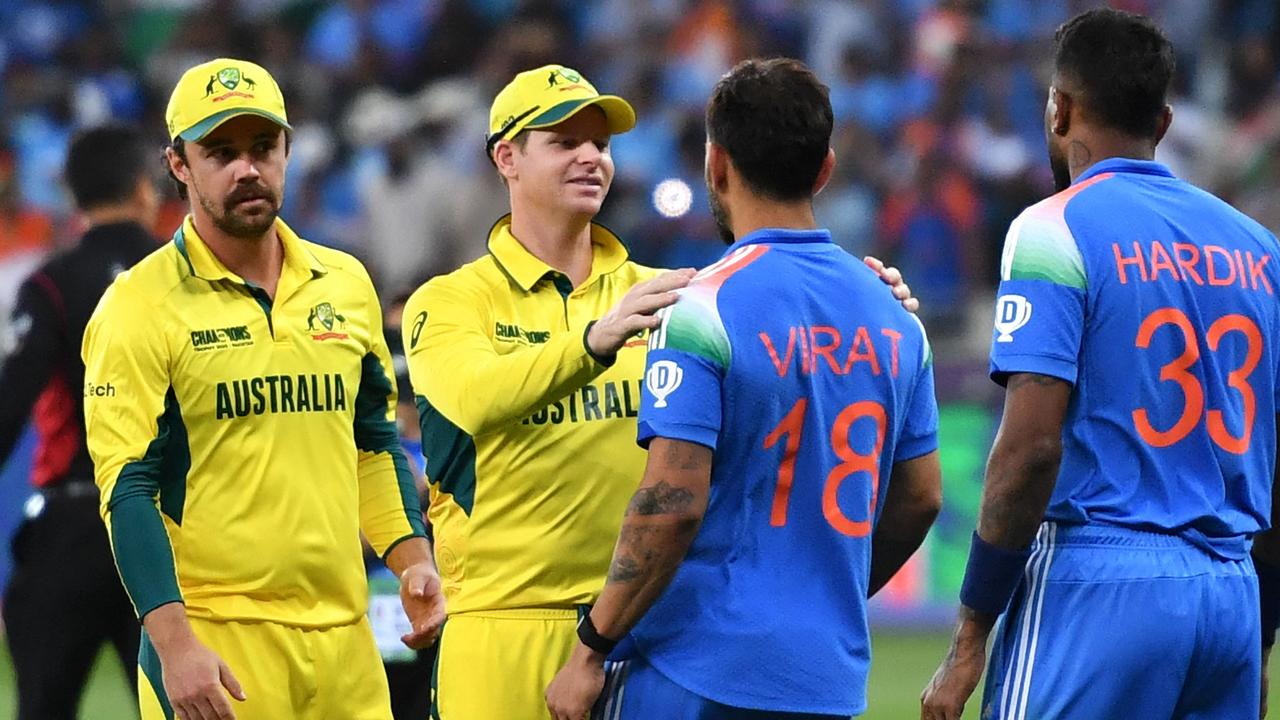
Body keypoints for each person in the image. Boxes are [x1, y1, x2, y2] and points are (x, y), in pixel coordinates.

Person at [402, 64, 918, 719]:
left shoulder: (673, 295)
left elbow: (776, 358)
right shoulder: (450, 302)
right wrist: (593, 340)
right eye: (565, 142)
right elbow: (472, 396)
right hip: (504, 622)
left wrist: (873, 304)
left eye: (601, 143)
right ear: (507, 157)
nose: (592, 156)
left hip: (646, 625)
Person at [545, 56, 942, 720]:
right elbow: (923, 496)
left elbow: (671, 501)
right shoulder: (896, 316)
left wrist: (590, 647)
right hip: (824, 678)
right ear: (825, 169)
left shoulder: (706, 307)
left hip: (697, 669)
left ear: (716, 165)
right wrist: (831, 592)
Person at [921, 9, 1280, 720]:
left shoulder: (1053, 228)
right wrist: (1258, 636)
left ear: (1059, 108)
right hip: (1231, 587)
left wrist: (969, 636)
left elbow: (1028, 451)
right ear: (1165, 122)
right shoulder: (1261, 250)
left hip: (1101, 581)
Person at [81, 57, 444, 720]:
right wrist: (174, 644)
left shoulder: (345, 284)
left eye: (262, 148)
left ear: (288, 150)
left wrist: (413, 559)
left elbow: (372, 442)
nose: (246, 168)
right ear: (178, 166)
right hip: (217, 642)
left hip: (345, 644)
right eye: (220, 152)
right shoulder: (137, 306)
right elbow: (128, 486)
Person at [0, 123, 159, 720]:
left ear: (71, 198)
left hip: (71, 525)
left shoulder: (50, 285)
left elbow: (10, 406)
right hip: (172, 531)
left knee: (43, 705)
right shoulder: (189, 281)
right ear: (147, 189)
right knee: (182, 705)